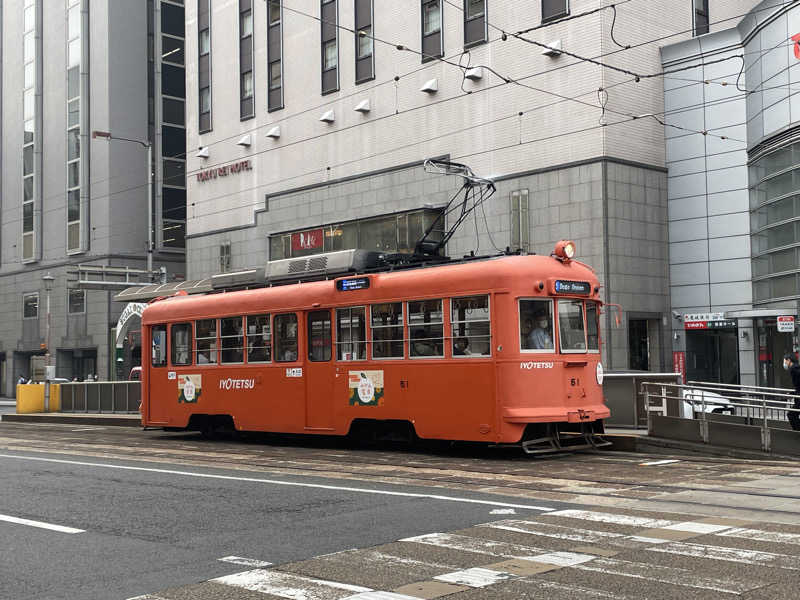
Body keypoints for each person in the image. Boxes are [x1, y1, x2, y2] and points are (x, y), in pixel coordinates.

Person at [784, 352, 800, 431]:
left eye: (785, 361)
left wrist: (794, 393)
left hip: (799, 397)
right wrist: (792, 393)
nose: (784, 363)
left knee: (791, 415)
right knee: (794, 414)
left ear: (789, 360)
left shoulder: (794, 368)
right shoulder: (795, 367)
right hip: (798, 396)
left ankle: (797, 432)